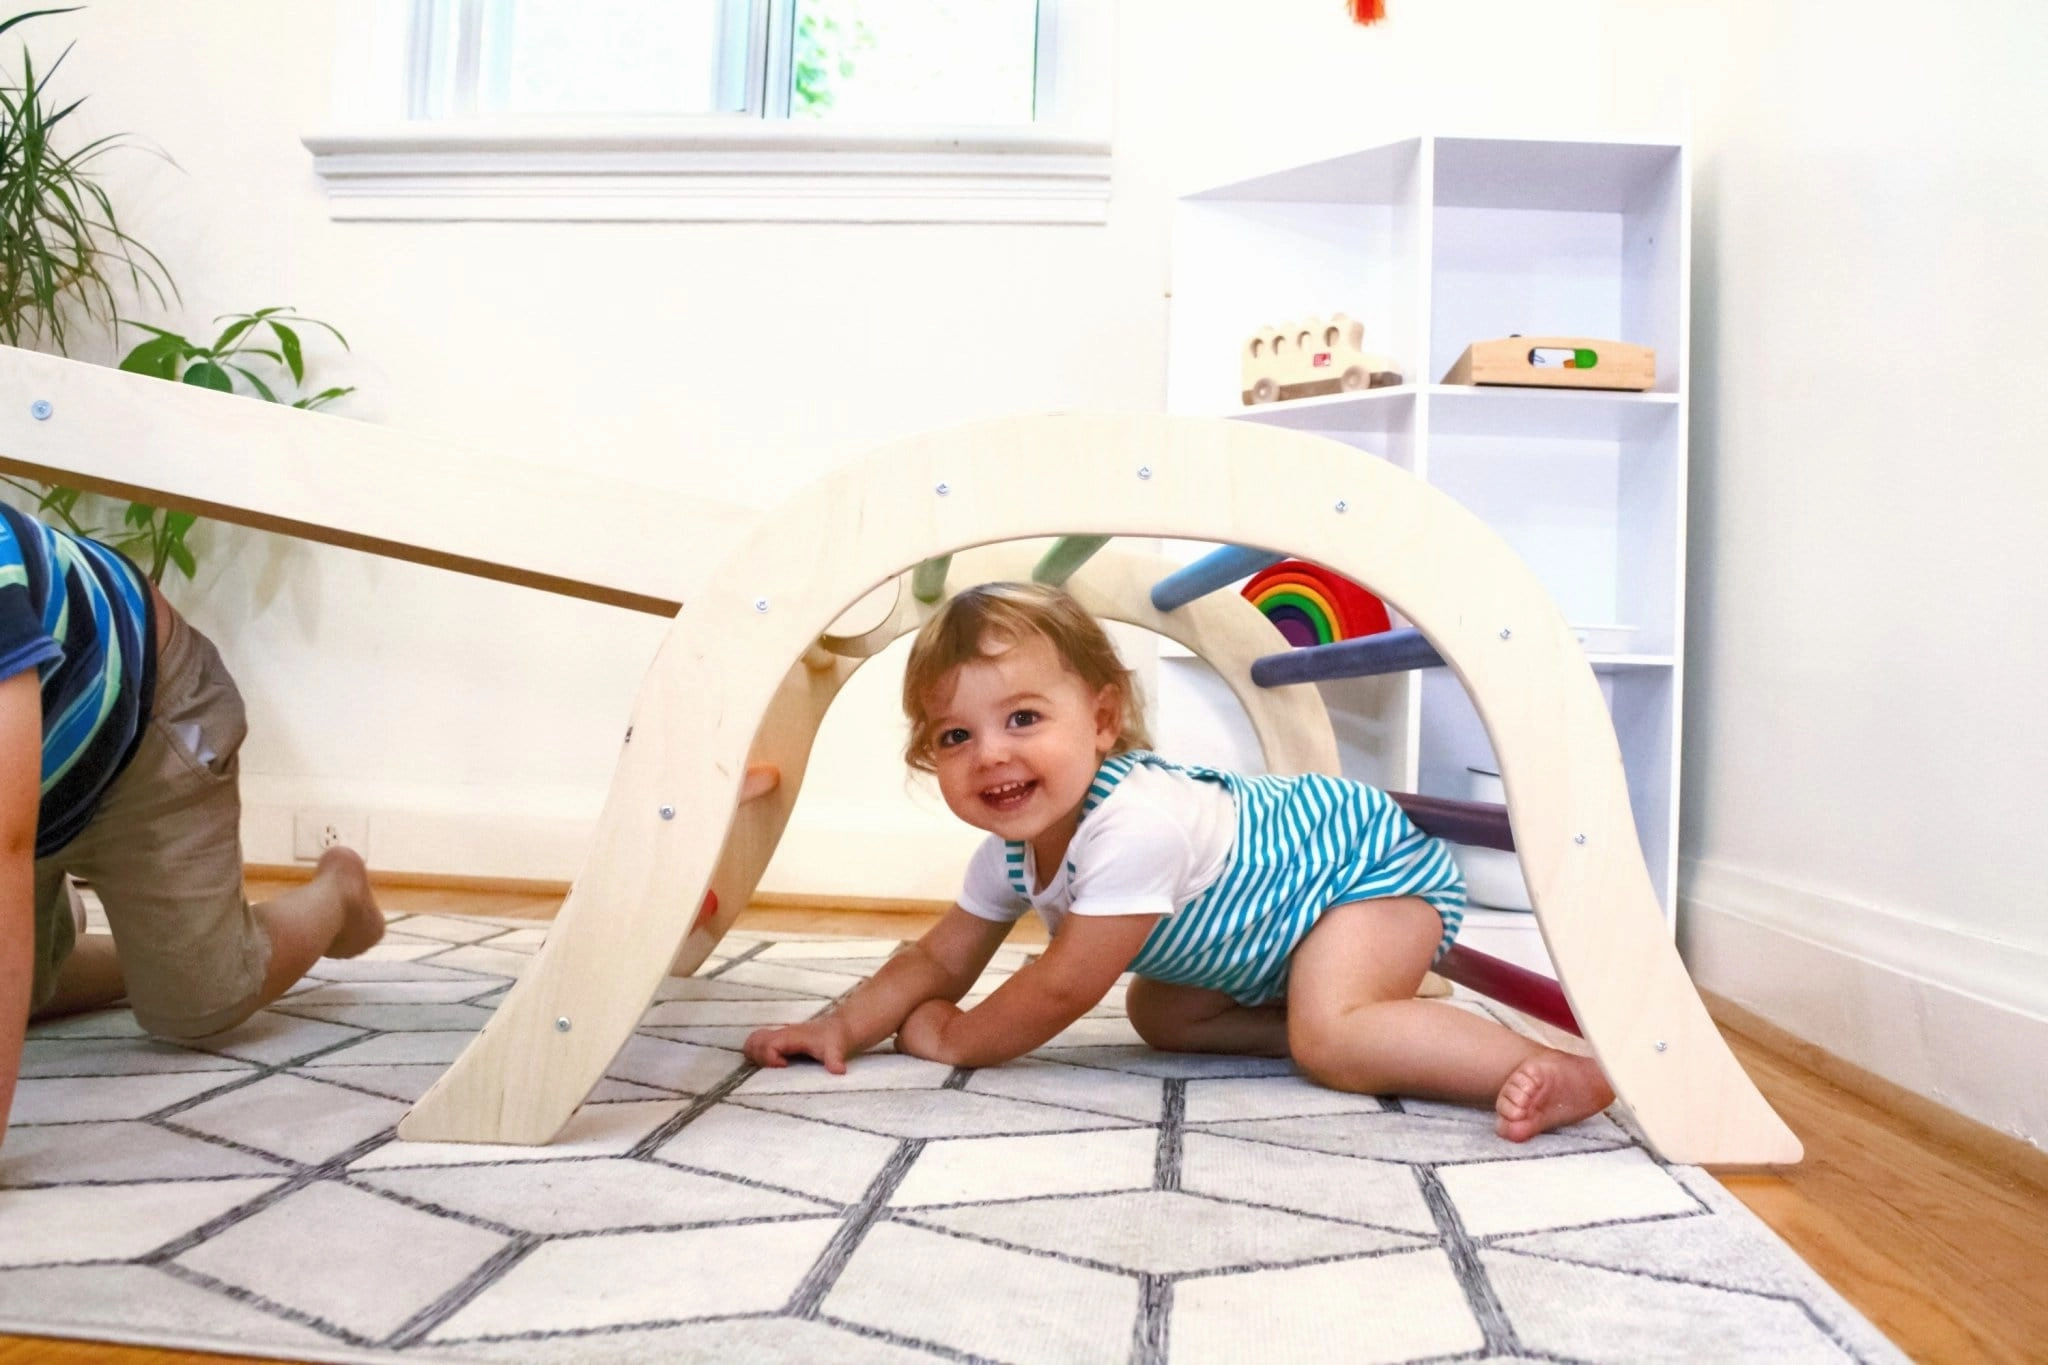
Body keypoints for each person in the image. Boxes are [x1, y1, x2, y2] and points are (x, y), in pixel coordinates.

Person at [744, 581, 1614, 1142]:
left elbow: (1058, 985)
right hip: (1271, 934)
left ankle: (1552, 1072)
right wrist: (842, 1025)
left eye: (1023, 719)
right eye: (956, 735)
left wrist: (961, 1037)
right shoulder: (1007, 856)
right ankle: (1349, 1011)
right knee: (1159, 1011)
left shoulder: (1136, 824)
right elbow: (936, 957)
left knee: (1335, 1038)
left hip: (1364, 874)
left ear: (1102, 716)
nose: (991, 754)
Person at [0, 504, 385, 1143]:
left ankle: (339, 892)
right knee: (29, 992)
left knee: (198, 1002)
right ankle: (127, 943)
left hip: (153, 730)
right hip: (39, 774)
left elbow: (4, 848)